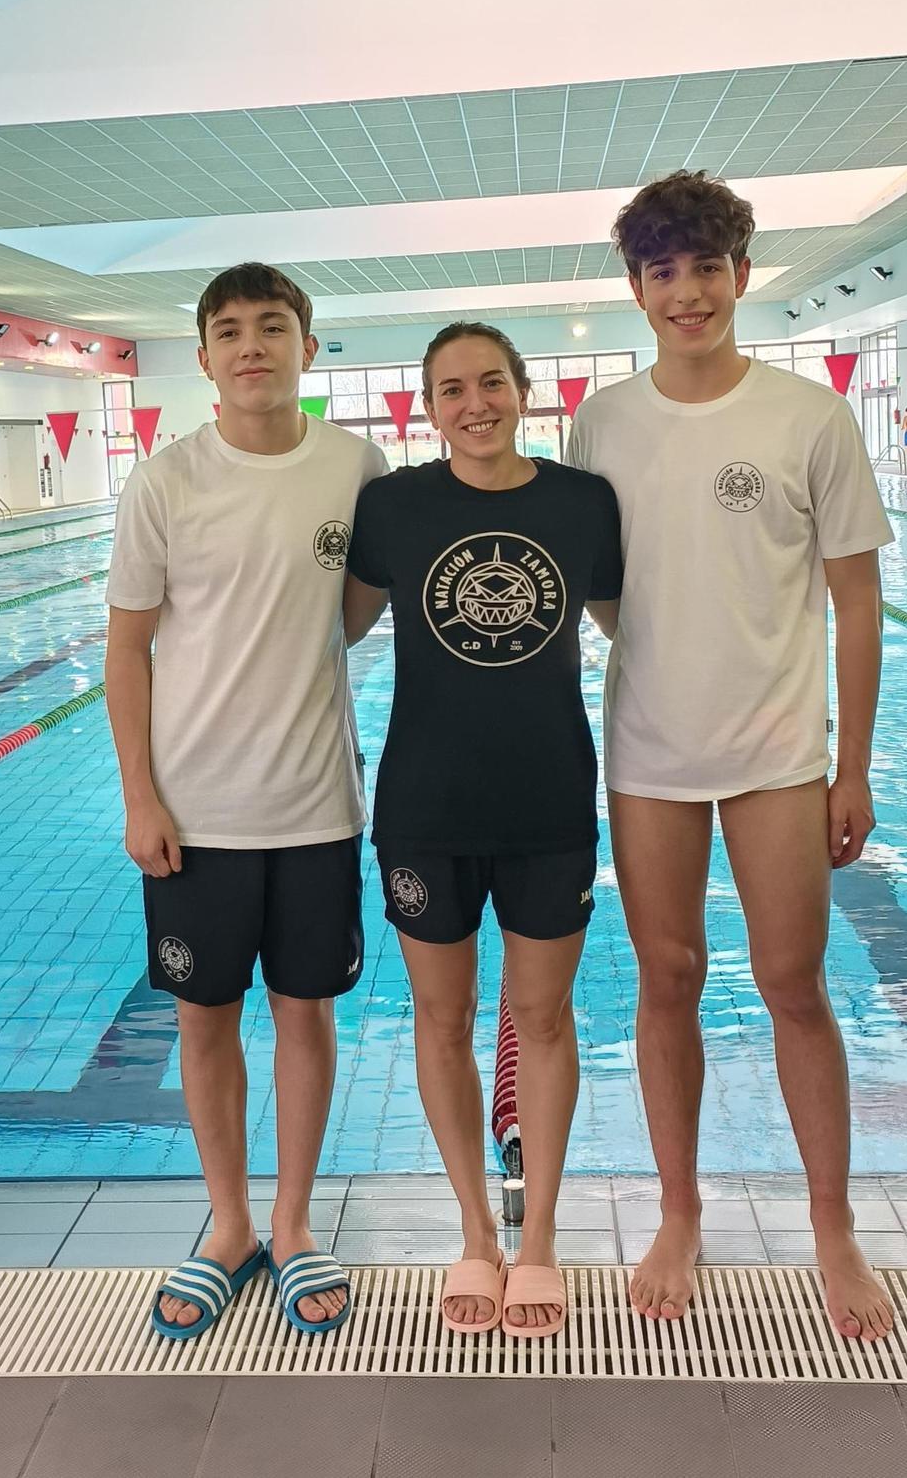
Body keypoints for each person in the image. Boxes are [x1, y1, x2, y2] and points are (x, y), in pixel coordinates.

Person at [566, 170, 897, 1344]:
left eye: (707, 267)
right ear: (637, 289)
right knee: (667, 979)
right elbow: (601, 586)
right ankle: (679, 1210)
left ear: (742, 274)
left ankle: (832, 1224)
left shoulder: (809, 417)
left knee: (793, 982)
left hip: (778, 753)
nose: (688, 292)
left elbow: (858, 602)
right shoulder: (602, 422)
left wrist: (852, 765)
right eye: (663, 272)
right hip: (650, 751)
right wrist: (666, 647)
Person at [105, 263, 386, 1340]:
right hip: (196, 811)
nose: (252, 345)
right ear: (206, 356)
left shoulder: (355, 467)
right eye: (230, 331)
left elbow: (352, 614)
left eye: (273, 326)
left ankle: (294, 1220)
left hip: (316, 803)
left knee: (306, 1013)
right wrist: (141, 796)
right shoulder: (165, 480)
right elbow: (127, 650)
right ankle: (228, 1223)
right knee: (205, 1017)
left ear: (308, 347)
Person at [343, 323, 622, 1338]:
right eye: (453, 389)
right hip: (426, 806)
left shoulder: (582, 502)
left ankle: (537, 1238)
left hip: (550, 803)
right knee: (443, 1018)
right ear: (428, 407)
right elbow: (332, 626)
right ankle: (474, 1227)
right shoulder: (393, 506)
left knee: (543, 1019)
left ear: (524, 389)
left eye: (492, 382)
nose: (476, 403)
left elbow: (635, 626)